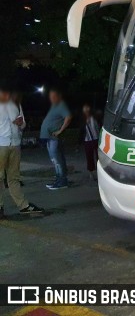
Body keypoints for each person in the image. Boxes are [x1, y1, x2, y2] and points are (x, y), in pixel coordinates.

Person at [0, 83, 43, 217]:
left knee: (14, 177)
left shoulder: (16, 104)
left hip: (15, 145)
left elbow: (23, 123)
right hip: (2, 144)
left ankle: (23, 206)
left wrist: (21, 123)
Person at [40, 87, 72, 190]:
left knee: (57, 160)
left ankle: (61, 182)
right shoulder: (55, 105)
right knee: (56, 160)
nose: (51, 98)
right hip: (50, 138)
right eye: (50, 96)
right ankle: (60, 180)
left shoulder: (61, 105)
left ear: (59, 96)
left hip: (54, 138)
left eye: (53, 96)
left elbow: (69, 117)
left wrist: (60, 130)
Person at [80, 104, 100, 180]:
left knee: (99, 156)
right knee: (89, 157)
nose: (87, 110)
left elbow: (99, 125)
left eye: (88, 108)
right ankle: (91, 173)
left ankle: (100, 172)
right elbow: (81, 131)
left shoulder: (94, 117)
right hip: (87, 140)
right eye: (85, 109)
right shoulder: (82, 120)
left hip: (96, 139)